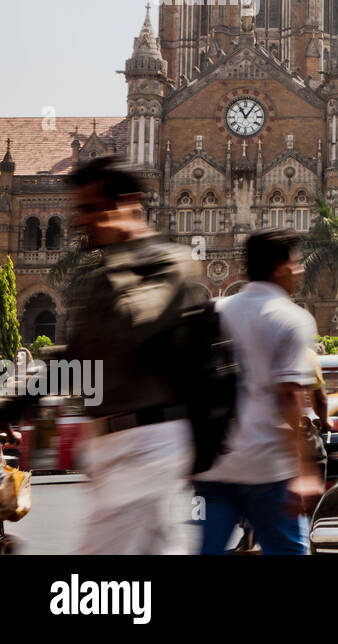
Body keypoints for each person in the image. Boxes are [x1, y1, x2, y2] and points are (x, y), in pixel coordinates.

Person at [65, 157, 198, 554]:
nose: (80, 222)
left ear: (126, 203)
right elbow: (75, 359)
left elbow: (135, 324)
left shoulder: (164, 264)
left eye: (91, 210)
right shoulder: (101, 270)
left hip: (146, 444)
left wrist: (123, 245)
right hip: (112, 446)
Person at [193, 230, 322, 555]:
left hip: (216, 467)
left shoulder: (214, 310)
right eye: (295, 263)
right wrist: (304, 470)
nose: (300, 269)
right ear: (280, 267)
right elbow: (290, 396)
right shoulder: (292, 319)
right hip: (269, 469)